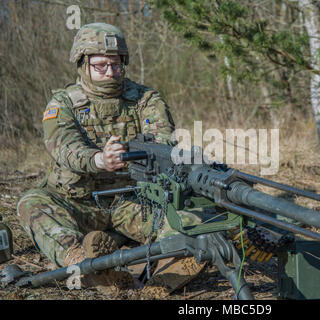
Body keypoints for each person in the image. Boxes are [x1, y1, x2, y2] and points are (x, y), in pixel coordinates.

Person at [16, 23, 204, 296]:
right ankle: (88, 265)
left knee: (191, 218)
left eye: (116, 65)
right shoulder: (63, 104)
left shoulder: (145, 99)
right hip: (79, 203)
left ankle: (162, 276)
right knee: (31, 204)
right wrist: (99, 160)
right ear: (83, 64)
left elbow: (163, 140)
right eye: (101, 65)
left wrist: (133, 149)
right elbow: (64, 147)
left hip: (133, 200)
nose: (111, 72)